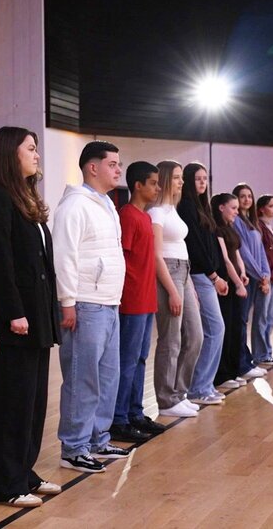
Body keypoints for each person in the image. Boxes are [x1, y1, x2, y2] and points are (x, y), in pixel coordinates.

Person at [0, 126, 61, 507]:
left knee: (32, 402)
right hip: (17, 321)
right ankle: (5, 482)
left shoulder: (24, 198)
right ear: (11, 153)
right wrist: (13, 311)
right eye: (31, 148)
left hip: (36, 318)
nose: (37, 154)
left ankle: (23, 470)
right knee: (10, 402)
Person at [53, 140, 130, 473]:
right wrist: (68, 302)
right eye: (112, 163)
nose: (118, 169)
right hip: (85, 303)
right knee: (82, 378)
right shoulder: (75, 205)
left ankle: (98, 438)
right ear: (92, 167)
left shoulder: (107, 204)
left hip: (108, 303)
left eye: (119, 164)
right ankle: (74, 446)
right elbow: (64, 256)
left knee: (107, 377)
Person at [110, 161, 166, 443]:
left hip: (147, 300)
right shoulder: (128, 216)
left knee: (140, 359)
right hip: (131, 301)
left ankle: (134, 412)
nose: (158, 188)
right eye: (154, 183)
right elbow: (121, 259)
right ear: (138, 186)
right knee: (127, 361)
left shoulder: (144, 217)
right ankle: (118, 419)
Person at [148, 160, 204, 418]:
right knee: (171, 340)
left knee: (195, 336)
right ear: (166, 179)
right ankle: (166, 399)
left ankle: (179, 393)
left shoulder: (173, 209)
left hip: (184, 271)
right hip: (168, 272)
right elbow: (157, 256)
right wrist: (171, 290)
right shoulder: (156, 213)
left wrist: (187, 286)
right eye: (178, 177)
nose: (182, 182)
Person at [177, 163, 229, 406]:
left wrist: (217, 273)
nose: (202, 183)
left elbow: (209, 244)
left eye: (205, 179)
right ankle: (198, 388)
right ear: (188, 181)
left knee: (214, 330)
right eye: (198, 179)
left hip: (207, 275)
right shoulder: (187, 206)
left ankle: (204, 385)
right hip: (200, 275)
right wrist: (213, 275)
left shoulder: (203, 207)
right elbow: (195, 246)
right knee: (214, 329)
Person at [211, 193, 250, 389]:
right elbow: (226, 260)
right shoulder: (217, 230)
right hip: (226, 285)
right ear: (221, 208)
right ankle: (222, 374)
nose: (236, 211)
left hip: (236, 282)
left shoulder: (231, 229)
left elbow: (237, 255)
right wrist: (237, 283)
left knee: (236, 327)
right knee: (225, 328)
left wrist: (243, 274)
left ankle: (234, 370)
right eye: (233, 208)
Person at [231, 183, 270, 381]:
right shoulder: (236, 221)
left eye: (249, 196)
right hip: (246, 276)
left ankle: (246, 361)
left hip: (256, 277)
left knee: (246, 320)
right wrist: (259, 274)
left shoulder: (252, 221)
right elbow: (244, 252)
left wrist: (266, 274)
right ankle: (242, 363)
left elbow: (261, 251)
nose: (246, 199)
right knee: (241, 320)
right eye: (242, 196)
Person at [254, 194, 273, 367]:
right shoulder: (259, 227)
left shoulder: (270, 228)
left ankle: (266, 353)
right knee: (262, 318)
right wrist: (264, 278)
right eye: (271, 206)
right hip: (265, 279)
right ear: (261, 208)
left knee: (270, 317)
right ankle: (260, 355)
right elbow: (261, 255)